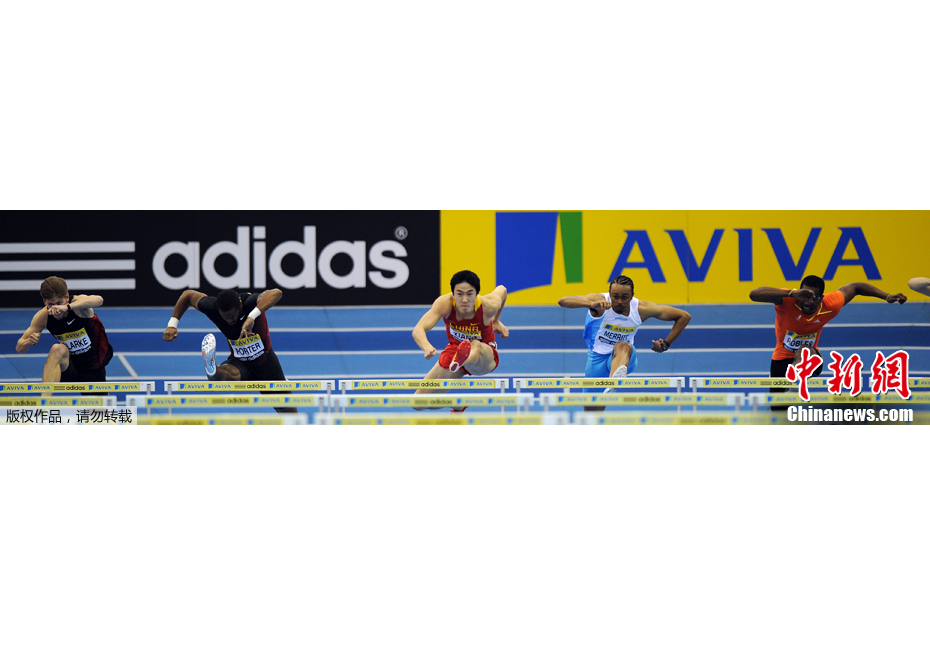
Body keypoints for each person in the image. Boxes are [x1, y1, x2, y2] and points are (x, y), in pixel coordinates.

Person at [749, 275, 908, 408]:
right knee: (778, 410)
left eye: (813, 298)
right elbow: (754, 294)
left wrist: (887, 296)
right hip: (781, 357)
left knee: (804, 349)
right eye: (805, 296)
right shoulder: (788, 299)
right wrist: (792, 293)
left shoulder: (830, 304)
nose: (807, 301)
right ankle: (787, 385)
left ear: (822, 298)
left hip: (810, 359)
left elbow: (856, 287)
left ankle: (795, 383)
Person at [558, 275, 692, 412]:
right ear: (610, 293)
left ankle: (613, 381)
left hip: (625, 357)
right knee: (591, 412)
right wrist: (591, 305)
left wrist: (665, 345)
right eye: (615, 296)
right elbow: (563, 301)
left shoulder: (641, 309)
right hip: (597, 359)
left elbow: (684, 316)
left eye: (625, 297)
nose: (619, 301)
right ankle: (608, 390)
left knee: (622, 345)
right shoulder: (598, 300)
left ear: (632, 296)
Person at [163, 288, 296, 413]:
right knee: (224, 375)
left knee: (287, 410)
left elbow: (276, 293)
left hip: (267, 364)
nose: (229, 320)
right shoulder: (213, 307)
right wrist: (172, 325)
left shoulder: (249, 302)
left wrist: (251, 317)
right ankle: (213, 371)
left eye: (232, 316)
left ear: (240, 305)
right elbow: (188, 295)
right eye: (225, 317)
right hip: (240, 362)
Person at [411, 270, 508, 412]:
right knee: (418, 403)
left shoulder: (488, 305)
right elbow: (418, 329)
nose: (464, 299)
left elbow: (502, 290)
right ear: (453, 294)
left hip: (484, 356)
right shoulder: (444, 304)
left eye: (469, 294)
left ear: (477, 294)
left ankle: (464, 358)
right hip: (455, 352)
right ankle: (459, 405)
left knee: (475, 345)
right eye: (460, 294)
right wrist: (426, 346)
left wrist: (496, 320)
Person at [15, 276, 113, 389]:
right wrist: (28, 342)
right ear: (44, 301)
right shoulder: (43, 317)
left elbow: (99, 300)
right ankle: (44, 399)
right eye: (51, 304)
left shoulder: (80, 306)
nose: (56, 308)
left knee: (98, 401)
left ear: (67, 296)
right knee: (57, 349)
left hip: (94, 367)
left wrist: (67, 307)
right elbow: (19, 348)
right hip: (70, 366)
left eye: (59, 302)